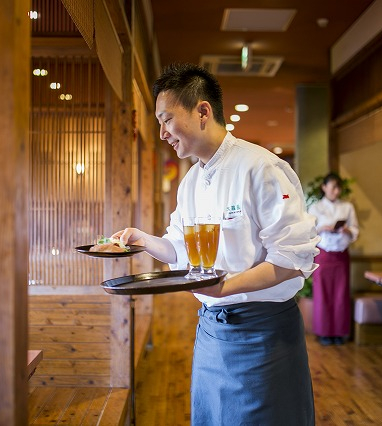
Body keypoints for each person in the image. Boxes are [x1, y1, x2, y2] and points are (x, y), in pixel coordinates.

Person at [112, 63, 320, 425]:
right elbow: (179, 251)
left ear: (202, 111)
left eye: (166, 120)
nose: (161, 133)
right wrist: (143, 240)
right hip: (210, 332)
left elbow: (290, 260)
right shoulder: (191, 181)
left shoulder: (261, 167)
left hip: (263, 334)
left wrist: (223, 288)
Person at [308, 172, 359, 346]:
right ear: (324, 187)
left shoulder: (347, 207)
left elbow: (355, 230)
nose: (336, 191)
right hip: (323, 254)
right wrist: (323, 228)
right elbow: (308, 232)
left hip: (341, 254)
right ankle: (323, 332)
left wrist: (346, 230)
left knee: (340, 294)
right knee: (323, 293)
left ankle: (339, 332)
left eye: (338, 188)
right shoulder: (315, 208)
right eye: (333, 187)